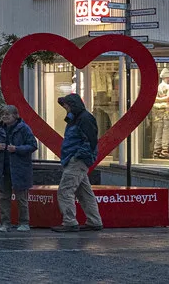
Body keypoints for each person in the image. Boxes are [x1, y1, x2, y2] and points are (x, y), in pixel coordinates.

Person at [52, 94, 103, 233]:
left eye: (66, 105)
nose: (65, 108)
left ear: (73, 105)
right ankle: (94, 221)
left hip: (77, 160)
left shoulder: (84, 119)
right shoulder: (78, 118)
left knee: (65, 190)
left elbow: (90, 140)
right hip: (76, 158)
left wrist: (78, 156)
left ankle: (70, 222)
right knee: (84, 192)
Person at [0, 104, 37, 232]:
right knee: (4, 197)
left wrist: (17, 149)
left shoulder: (24, 129)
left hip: (20, 169)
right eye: (3, 114)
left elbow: (32, 145)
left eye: (7, 114)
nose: (4, 116)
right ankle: (5, 223)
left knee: (21, 197)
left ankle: (24, 222)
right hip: (4, 169)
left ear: (15, 116)